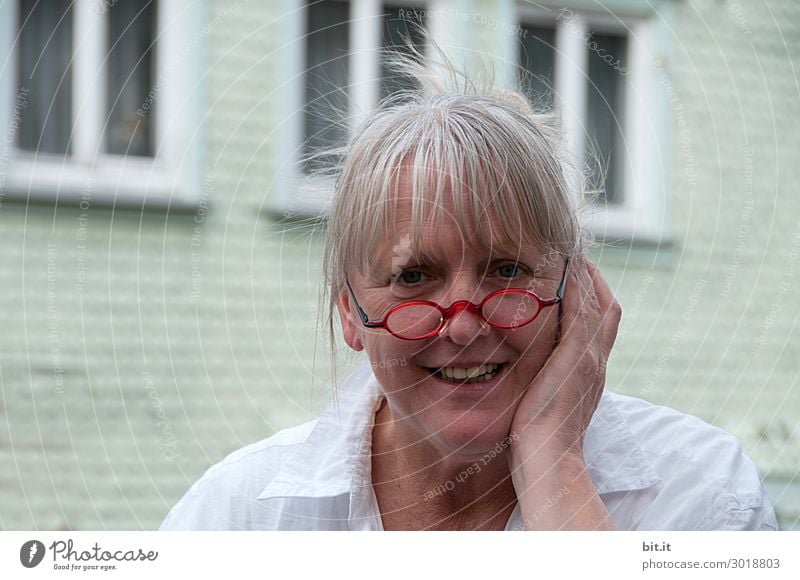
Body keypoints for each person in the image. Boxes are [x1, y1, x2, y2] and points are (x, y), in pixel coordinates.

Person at [160, 58, 776, 531]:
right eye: (412, 276)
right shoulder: (238, 516)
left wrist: (555, 468)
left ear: (577, 294)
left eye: (506, 270)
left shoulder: (700, 494)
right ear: (348, 309)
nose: (461, 326)